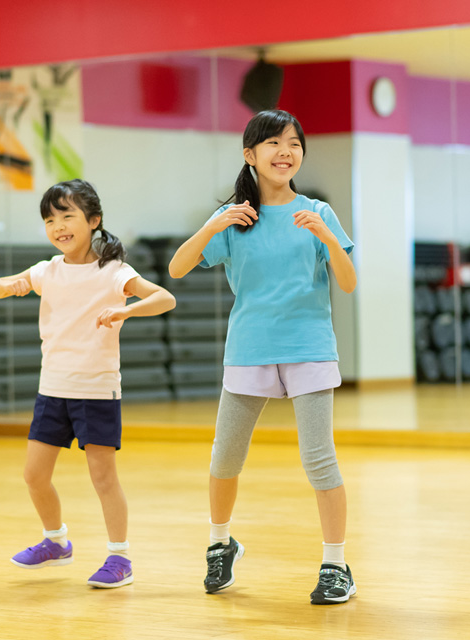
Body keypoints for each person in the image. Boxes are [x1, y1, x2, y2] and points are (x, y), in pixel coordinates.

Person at [168, 109, 358, 605]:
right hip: (249, 349)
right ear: (250, 155)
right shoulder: (235, 218)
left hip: (309, 348)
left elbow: (348, 281)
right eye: (273, 143)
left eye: (293, 143)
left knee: (320, 461)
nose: (284, 152)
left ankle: (336, 565)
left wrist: (326, 237)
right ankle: (219, 543)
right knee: (225, 456)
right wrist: (213, 226)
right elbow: (178, 267)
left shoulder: (318, 212)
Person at [0, 179, 176, 588]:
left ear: (93, 220)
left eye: (67, 216)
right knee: (34, 475)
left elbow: (164, 298)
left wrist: (125, 312)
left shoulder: (114, 272)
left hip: (96, 390)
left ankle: (120, 558)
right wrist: (9, 285)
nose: (58, 226)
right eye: (49, 220)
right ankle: (56, 542)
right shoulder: (45, 270)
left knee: (103, 478)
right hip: (52, 388)